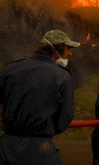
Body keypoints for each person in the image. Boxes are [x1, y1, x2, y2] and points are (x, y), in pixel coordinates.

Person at [0, 29, 80, 165]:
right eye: (68, 48)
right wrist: (44, 131)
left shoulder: (9, 69)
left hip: (6, 148)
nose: (70, 53)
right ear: (56, 49)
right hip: (40, 148)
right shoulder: (62, 76)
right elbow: (65, 116)